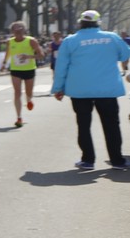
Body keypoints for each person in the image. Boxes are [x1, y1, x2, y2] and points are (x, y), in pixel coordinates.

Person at [51, 10, 130, 170]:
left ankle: (88, 160)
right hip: (107, 89)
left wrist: (58, 88)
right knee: (112, 125)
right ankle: (117, 160)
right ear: (98, 22)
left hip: (80, 89)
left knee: (83, 124)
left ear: (81, 23)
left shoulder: (70, 40)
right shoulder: (112, 37)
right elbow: (125, 55)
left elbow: (61, 67)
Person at [3, 21, 45, 127]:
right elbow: (8, 53)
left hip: (29, 69)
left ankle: (29, 100)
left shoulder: (31, 41)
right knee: (17, 93)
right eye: (16, 29)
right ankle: (19, 118)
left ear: (24, 30)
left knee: (28, 92)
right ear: (12, 31)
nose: (18, 31)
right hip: (15, 70)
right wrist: (4, 63)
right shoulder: (9, 42)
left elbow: (41, 55)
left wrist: (29, 57)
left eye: (20, 29)